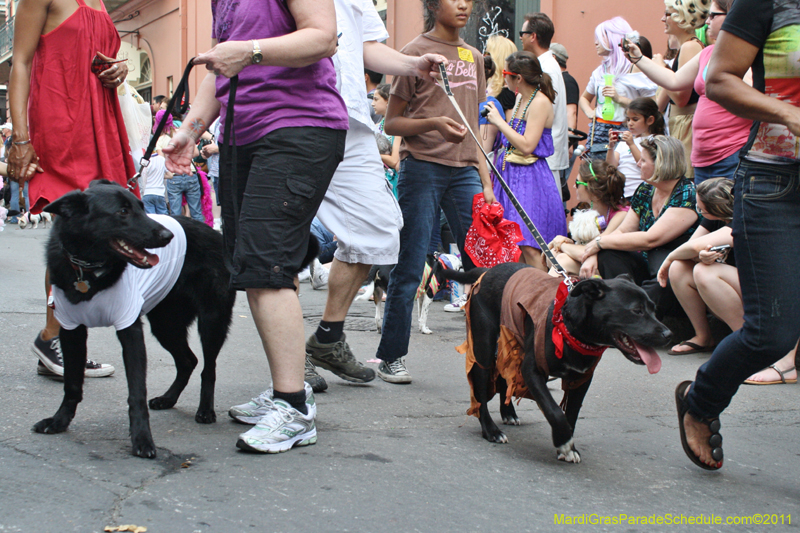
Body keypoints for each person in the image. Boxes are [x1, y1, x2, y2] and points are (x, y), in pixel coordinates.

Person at [163, 0, 348, 454]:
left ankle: (294, 409)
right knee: (254, 267)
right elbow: (218, 70)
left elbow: (323, 35)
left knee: (266, 265)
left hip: (297, 126)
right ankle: (289, 391)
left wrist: (251, 51)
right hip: (243, 136)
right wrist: (190, 129)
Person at [676, 0, 800, 469]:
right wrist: (788, 115)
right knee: (772, 333)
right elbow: (721, 79)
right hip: (777, 184)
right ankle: (702, 402)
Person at [8, 0, 138, 379]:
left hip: (100, 119)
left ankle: (64, 340)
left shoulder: (96, 1)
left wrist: (119, 68)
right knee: (73, 233)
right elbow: (21, 62)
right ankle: (55, 338)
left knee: (92, 238)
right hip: (62, 121)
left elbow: (97, 57)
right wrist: (20, 138)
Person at [375, 0, 494, 384]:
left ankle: (493, 358)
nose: (463, 4)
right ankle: (392, 355)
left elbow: (474, 124)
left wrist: (486, 178)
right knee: (411, 264)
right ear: (432, 4)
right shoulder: (412, 53)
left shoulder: (474, 56)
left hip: (465, 173)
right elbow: (391, 123)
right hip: (421, 167)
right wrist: (435, 125)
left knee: (484, 267)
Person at [624, 0, 750, 184]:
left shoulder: (743, 53)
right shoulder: (708, 53)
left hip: (729, 152)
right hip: (703, 157)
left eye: (713, 16)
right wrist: (638, 58)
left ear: (731, 17)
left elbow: (752, 89)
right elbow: (674, 81)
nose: (707, 21)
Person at [580, 135, 699, 317]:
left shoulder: (686, 193)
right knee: (609, 253)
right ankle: (623, 302)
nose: (637, 164)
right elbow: (622, 231)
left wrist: (598, 243)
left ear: (661, 164)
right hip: (648, 265)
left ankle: (628, 312)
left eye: (643, 160)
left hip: (671, 272)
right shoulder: (645, 190)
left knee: (660, 278)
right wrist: (594, 252)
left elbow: (651, 239)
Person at [483, 51, 566, 269]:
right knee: (514, 243)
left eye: (505, 74)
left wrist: (499, 123)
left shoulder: (540, 102)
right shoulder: (522, 98)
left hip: (531, 179)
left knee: (530, 244)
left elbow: (528, 145)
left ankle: (539, 297)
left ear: (518, 77)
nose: (503, 78)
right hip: (512, 176)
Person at [657, 178, 735, 354]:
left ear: (717, 209)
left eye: (702, 209)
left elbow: (692, 247)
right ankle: (703, 335)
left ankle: (744, 339)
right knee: (680, 267)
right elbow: (693, 247)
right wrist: (700, 257)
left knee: (702, 271)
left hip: (752, 289)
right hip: (730, 286)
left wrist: (669, 258)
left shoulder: (738, 221)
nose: (699, 211)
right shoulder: (712, 218)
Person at [579, 17, 658, 159]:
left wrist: (619, 99)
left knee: (623, 173)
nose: (596, 42)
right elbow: (584, 98)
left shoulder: (634, 68)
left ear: (614, 38)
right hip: (599, 131)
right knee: (596, 175)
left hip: (626, 130)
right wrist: (590, 112)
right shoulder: (599, 72)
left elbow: (652, 105)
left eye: (601, 37)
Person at [656, 0, 711, 180]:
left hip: (685, 129)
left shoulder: (690, 46)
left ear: (682, 18)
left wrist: (661, 68)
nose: (663, 19)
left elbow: (680, 97)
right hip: (680, 126)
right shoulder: (686, 47)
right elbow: (659, 104)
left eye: (668, 14)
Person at [518, 13, 569, 198]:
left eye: (522, 33)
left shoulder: (545, 68)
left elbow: (542, 112)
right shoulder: (546, 64)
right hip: (543, 153)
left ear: (533, 36)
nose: (520, 38)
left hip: (544, 155)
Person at [548, 160, 629, 276]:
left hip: (615, 267)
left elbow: (590, 249)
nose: (574, 186)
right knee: (554, 254)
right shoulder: (590, 210)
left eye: (577, 183)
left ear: (591, 189)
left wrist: (562, 244)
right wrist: (565, 242)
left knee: (562, 260)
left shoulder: (620, 214)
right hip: (594, 260)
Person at [606, 97, 666, 198]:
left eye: (635, 119)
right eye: (628, 119)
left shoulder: (655, 140)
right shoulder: (623, 142)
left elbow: (646, 165)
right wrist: (610, 147)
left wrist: (632, 145)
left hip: (643, 194)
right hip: (622, 195)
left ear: (650, 120)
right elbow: (610, 166)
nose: (630, 123)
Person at [372, 83, 401, 197]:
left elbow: (394, 160)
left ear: (388, 101)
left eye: (376, 99)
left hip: (392, 181)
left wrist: (372, 153)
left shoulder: (397, 127)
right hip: (377, 178)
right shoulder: (377, 126)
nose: (372, 104)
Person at [484, 34, 518, 114]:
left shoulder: (507, 94)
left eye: (487, 53)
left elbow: (510, 125)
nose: (484, 56)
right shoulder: (486, 82)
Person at [139, 150, 169, 215]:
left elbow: (142, 176)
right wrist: (160, 176)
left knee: (151, 218)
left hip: (147, 192)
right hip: (160, 193)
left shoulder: (144, 160)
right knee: (164, 218)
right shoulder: (162, 159)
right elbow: (170, 175)